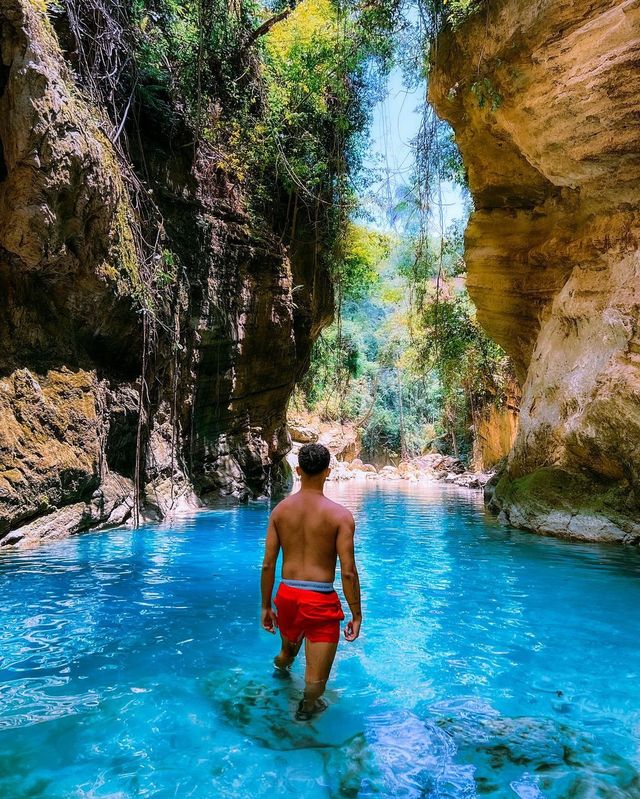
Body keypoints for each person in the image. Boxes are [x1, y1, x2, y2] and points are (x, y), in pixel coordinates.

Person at [260, 443, 362, 720]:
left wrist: (266, 606)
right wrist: (356, 613)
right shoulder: (340, 516)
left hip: (288, 595)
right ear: (328, 472)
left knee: (288, 651)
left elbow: (269, 564)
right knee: (315, 685)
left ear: (297, 470)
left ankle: (280, 669)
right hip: (320, 601)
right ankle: (306, 712)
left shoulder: (280, 512)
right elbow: (348, 571)